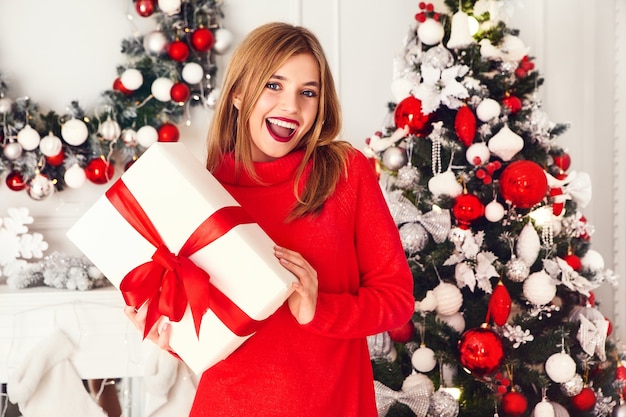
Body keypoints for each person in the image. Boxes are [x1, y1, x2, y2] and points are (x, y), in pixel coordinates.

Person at [125, 22, 414, 417]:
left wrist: (320, 309)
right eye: (273, 85)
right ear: (240, 94)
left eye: (307, 92)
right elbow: (205, 327)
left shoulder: (346, 173)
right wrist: (167, 330)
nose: (291, 106)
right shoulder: (202, 191)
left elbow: (397, 301)